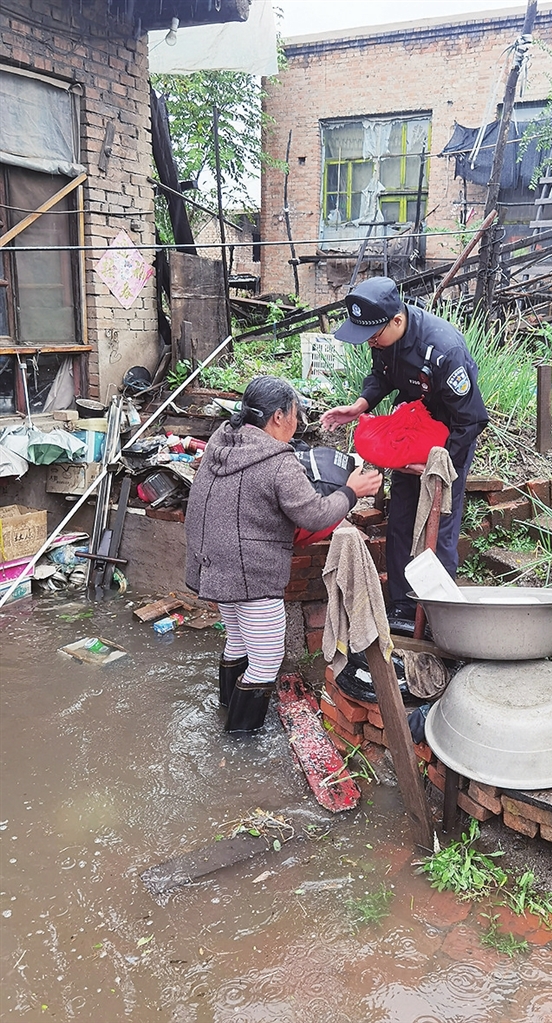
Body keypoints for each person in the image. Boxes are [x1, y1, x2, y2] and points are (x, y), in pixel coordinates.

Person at [185, 375, 382, 733]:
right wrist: (352, 491)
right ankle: (241, 740)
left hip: (212, 562)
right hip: (250, 572)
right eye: (294, 413)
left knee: (238, 642)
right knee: (266, 661)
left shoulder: (222, 439)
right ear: (278, 416)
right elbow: (315, 515)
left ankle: (227, 713)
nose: (296, 422)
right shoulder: (278, 459)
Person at [320, 277, 488, 622]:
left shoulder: (444, 350)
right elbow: (381, 376)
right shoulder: (384, 337)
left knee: (438, 523)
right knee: (401, 518)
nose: (370, 343)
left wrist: (436, 467)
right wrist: (360, 405)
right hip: (413, 429)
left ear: (397, 320)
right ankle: (402, 607)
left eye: (373, 336)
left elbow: (471, 420)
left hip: (450, 438)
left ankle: (436, 614)